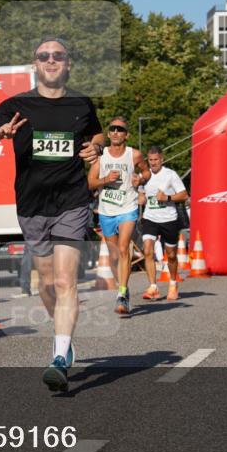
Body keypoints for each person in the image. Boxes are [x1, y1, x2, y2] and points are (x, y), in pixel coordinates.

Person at [0, 36, 105, 392]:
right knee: (45, 282)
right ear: (35, 65)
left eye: (58, 55)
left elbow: (98, 135)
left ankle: (59, 357)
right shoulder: (16, 105)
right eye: (44, 56)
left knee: (64, 281)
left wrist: (96, 147)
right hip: (32, 205)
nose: (51, 60)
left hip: (72, 201)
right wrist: (0, 132)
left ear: (68, 63)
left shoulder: (81, 103)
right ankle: (64, 337)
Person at [88, 116, 149, 315]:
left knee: (124, 249)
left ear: (126, 135)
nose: (115, 132)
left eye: (120, 129)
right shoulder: (101, 156)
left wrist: (139, 179)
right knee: (114, 256)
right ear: (108, 134)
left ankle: (121, 293)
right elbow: (90, 183)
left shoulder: (135, 155)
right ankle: (123, 286)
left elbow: (146, 173)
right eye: (112, 128)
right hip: (106, 210)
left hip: (127, 207)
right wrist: (105, 180)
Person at [137, 145, 188, 301]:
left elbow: (184, 195)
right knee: (147, 250)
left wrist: (168, 198)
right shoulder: (144, 175)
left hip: (169, 219)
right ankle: (153, 287)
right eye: (150, 160)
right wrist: (141, 198)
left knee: (171, 255)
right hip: (150, 217)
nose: (153, 163)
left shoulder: (170, 175)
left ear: (162, 159)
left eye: (156, 160)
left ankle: (173, 283)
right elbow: (141, 194)